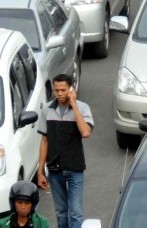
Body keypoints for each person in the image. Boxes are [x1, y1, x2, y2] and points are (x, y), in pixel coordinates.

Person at [36, 74, 92, 228]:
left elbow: (86, 132)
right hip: (54, 170)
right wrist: (41, 171)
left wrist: (74, 105)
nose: (60, 94)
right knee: (61, 212)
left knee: (75, 213)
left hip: (75, 168)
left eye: (63, 90)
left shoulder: (82, 108)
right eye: (56, 90)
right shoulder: (47, 109)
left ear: (71, 89)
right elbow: (44, 141)